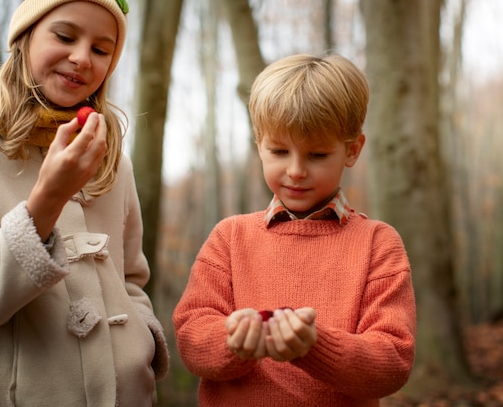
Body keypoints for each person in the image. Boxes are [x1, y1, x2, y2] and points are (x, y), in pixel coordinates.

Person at [0, 0, 169, 406]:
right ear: (24, 37)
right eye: (64, 36)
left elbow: (131, 279)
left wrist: (140, 343)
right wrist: (48, 199)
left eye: (101, 49)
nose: (82, 57)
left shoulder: (112, 159)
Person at [173, 53, 416, 406]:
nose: (296, 170)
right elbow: (191, 335)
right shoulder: (230, 237)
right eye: (279, 151)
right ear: (259, 145)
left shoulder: (378, 244)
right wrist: (234, 341)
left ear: (352, 150)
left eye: (316, 155)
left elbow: (392, 360)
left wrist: (313, 346)